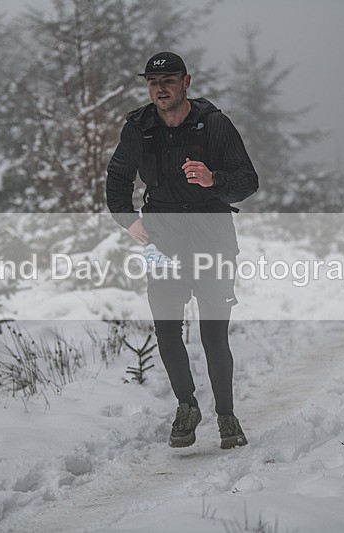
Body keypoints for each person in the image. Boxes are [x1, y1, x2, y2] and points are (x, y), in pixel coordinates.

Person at [107, 51, 258, 449]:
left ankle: (226, 415)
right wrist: (129, 220)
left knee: (214, 333)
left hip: (212, 235)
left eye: (169, 81)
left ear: (186, 82)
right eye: (153, 83)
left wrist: (213, 179)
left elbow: (247, 180)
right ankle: (187, 406)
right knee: (166, 328)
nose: (161, 89)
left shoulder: (215, 124)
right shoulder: (138, 128)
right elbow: (117, 178)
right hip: (162, 237)